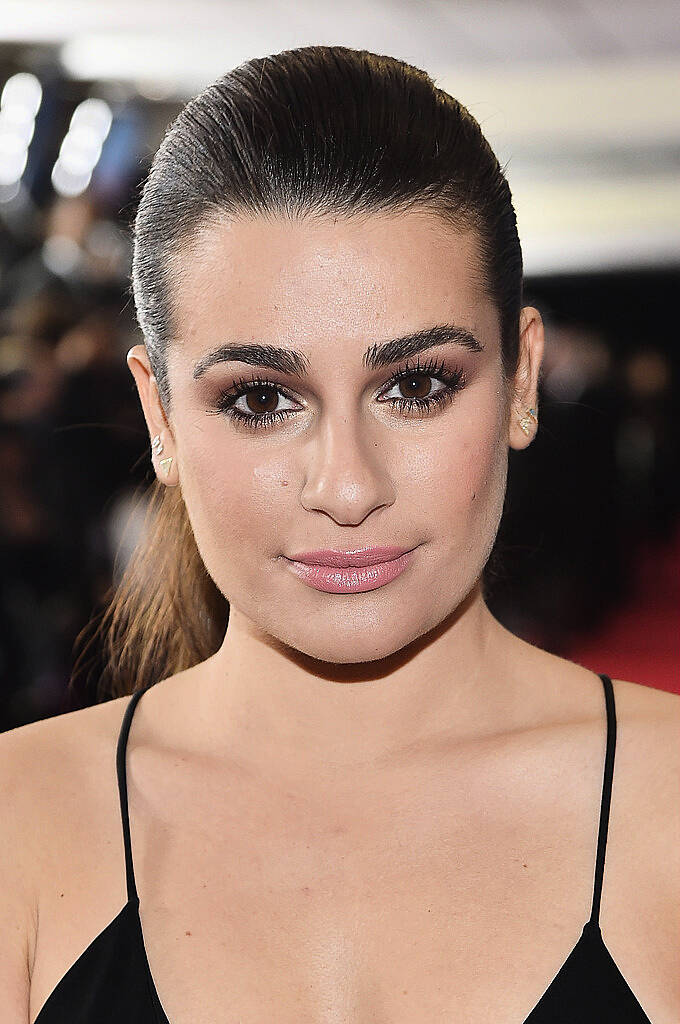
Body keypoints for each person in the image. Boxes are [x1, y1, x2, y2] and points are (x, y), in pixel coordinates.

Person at [2, 45, 678, 1024]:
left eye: (414, 386)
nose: (347, 486)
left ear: (520, 382)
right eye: (260, 398)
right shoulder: (22, 825)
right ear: (159, 419)